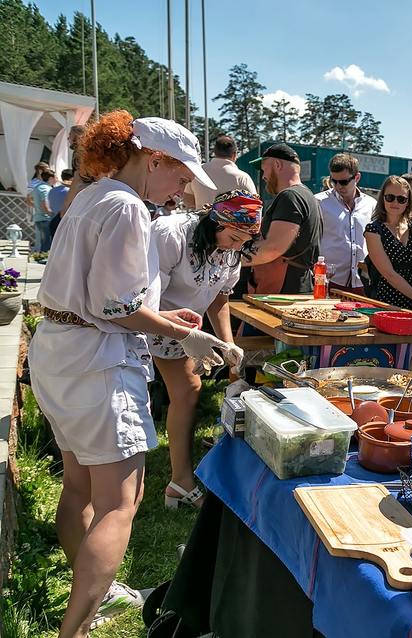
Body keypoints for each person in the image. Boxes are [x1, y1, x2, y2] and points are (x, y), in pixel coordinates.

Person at [29, 111, 238, 636]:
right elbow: (115, 305)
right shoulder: (127, 207)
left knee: (78, 484)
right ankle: (76, 629)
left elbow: (103, 296)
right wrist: (185, 336)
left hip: (60, 349)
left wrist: (165, 318)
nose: (183, 188)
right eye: (181, 175)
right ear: (154, 160)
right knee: (120, 502)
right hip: (96, 359)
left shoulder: (94, 194)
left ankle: (90, 593)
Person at [150, 191, 260, 509]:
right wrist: (182, 333)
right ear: (216, 222)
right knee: (180, 392)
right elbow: (145, 297)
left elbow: (219, 298)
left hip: (186, 329)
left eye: (244, 241)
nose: (236, 247)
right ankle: (173, 482)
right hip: (148, 323)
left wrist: (228, 343)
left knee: (188, 391)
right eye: (234, 238)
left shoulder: (231, 252)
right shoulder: (171, 235)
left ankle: (180, 482)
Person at [243, 143, 322, 295]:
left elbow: (273, 248)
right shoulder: (308, 195)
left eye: (264, 169)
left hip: (283, 292)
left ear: (277, 165)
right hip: (297, 288)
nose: (263, 176)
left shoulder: (290, 196)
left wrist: (231, 260)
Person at [316, 153, 376, 296]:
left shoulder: (371, 204)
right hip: (329, 281)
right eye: (333, 181)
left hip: (362, 282)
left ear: (357, 177)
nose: (338, 186)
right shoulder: (319, 202)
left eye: (343, 182)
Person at [363, 176, 412, 309]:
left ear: (408, 202)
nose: (395, 202)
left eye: (401, 199)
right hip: (387, 300)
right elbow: (389, 274)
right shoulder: (373, 230)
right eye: (390, 197)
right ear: (382, 198)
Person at [182, 134, 257, 210]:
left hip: (202, 216)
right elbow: (254, 207)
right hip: (231, 217)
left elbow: (188, 201)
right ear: (234, 154)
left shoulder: (197, 171)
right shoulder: (242, 178)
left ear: (215, 153)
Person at [62, 125, 95, 213]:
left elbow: (78, 178)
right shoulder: (91, 151)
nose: (68, 138)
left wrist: (66, 204)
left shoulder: (79, 153)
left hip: (84, 195)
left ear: (76, 137)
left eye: (70, 135)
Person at [31, 168, 56, 252]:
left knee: (42, 242)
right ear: (51, 178)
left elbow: (28, 199)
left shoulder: (37, 187)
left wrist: (37, 207)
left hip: (38, 217)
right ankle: (44, 258)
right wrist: (52, 215)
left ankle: (41, 256)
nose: (56, 179)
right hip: (45, 219)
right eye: (55, 177)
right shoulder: (46, 188)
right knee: (47, 243)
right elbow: (44, 203)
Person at [48, 169, 73, 243]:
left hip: (54, 221)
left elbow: (51, 206)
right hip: (67, 222)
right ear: (72, 178)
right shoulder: (70, 191)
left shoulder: (52, 191)